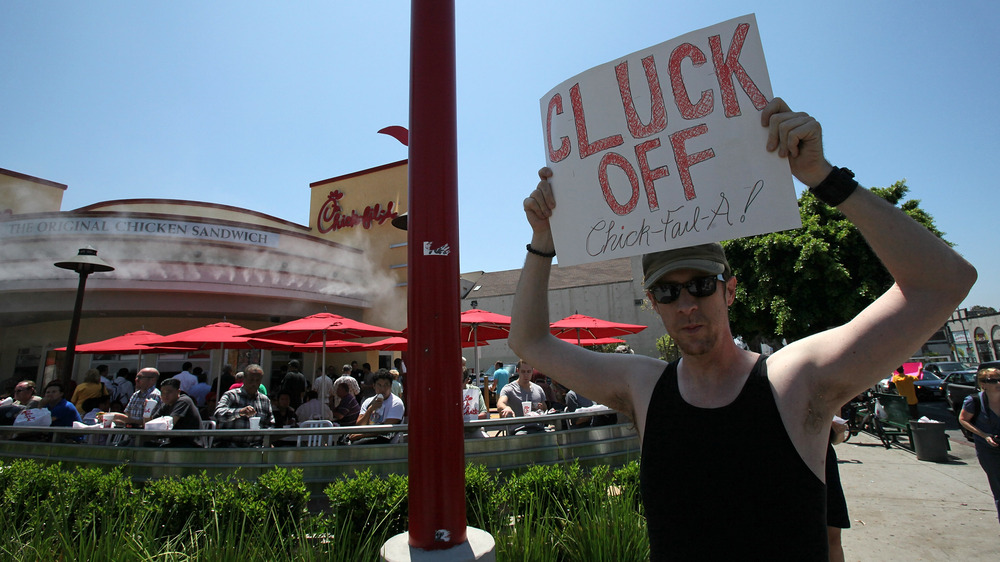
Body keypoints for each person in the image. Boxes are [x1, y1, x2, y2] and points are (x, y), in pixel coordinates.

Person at [509, 97, 977, 559]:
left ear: (729, 290)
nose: (687, 304)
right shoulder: (643, 386)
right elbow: (528, 341)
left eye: (700, 285)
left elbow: (943, 283)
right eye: (669, 293)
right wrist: (543, 242)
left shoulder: (795, 380)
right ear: (653, 304)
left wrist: (824, 178)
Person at [959, 365, 1000, 524]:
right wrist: (985, 436)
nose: (998, 383)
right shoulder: (974, 401)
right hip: (988, 450)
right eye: (993, 380)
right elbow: (963, 419)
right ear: (983, 384)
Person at [214, 364, 273, 447]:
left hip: (255, 448)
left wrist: (268, 440)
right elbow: (218, 414)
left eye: (257, 380)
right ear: (244, 379)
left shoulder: (265, 400)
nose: (254, 383)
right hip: (229, 446)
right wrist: (240, 412)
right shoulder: (231, 395)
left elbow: (270, 424)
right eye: (251, 380)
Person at [350, 369, 404, 445]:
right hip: (365, 440)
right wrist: (370, 409)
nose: (383, 389)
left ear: (391, 386)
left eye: (386, 385)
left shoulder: (396, 403)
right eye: (379, 385)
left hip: (384, 443)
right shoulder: (368, 401)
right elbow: (359, 425)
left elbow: (386, 429)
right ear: (374, 386)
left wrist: (360, 436)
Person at [496, 360, 548, 434]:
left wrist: (542, 407)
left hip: (538, 427)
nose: (526, 375)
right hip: (518, 429)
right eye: (523, 371)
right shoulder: (509, 388)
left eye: (528, 371)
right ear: (518, 371)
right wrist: (506, 407)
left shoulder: (538, 389)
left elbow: (545, 408)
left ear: (532, 371)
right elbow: (500, 403)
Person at [827, 418, 851, 562]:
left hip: (823, 465)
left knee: (833, 534)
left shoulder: (827, 394)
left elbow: (836, 440)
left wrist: (839, 431)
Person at [156, 378, 204, 448]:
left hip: (190, 444)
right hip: (174, 442)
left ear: (178, 392)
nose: (165, 395)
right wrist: (147, 411)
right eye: (162, 392)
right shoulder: (166, 405)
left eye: (169, 392)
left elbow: (169, 424)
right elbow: (149, 424)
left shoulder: (184, 401)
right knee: (148, 445)